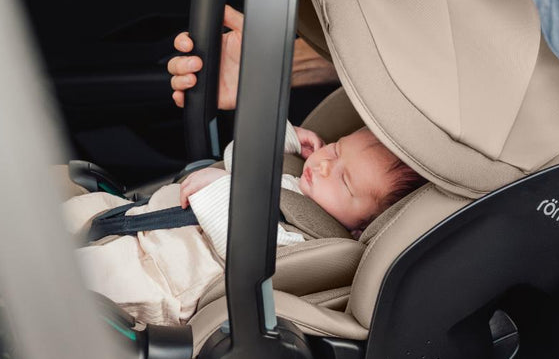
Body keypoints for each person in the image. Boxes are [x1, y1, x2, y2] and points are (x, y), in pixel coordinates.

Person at [63, 120, 425, 326]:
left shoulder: (312, 240)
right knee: (68, 214)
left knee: (67, 281)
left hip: (163, 278)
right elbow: (238, 158)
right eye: (336, 148)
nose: (326, 164)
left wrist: (222, 188)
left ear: (361, 227)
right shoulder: (297, 182)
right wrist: (284, 139)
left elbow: (244, 246)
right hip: (140, 223)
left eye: (344, 180)